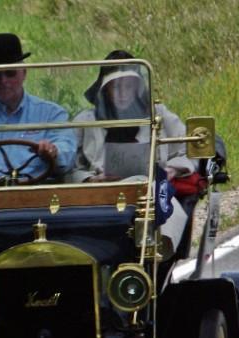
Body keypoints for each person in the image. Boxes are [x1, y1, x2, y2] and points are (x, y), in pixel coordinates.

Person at [69, 50, 198, 253]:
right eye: (116, 86)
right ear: (106, 89)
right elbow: (69, 167)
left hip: (150, 188)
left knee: (160, 198)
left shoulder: (158, 115)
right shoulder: (85, 121)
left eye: (128, 86)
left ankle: (159, 249)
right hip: (102, 196)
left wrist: (172, 170)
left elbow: (188, 149)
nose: (122, 92)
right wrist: (91, 180)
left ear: (138, 87)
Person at [0, 33, 76, 186]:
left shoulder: (52, 113)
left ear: (24, 72)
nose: (3, 81)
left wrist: (53, 151)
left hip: (37, 195)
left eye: (10, 73)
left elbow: (67, 149)